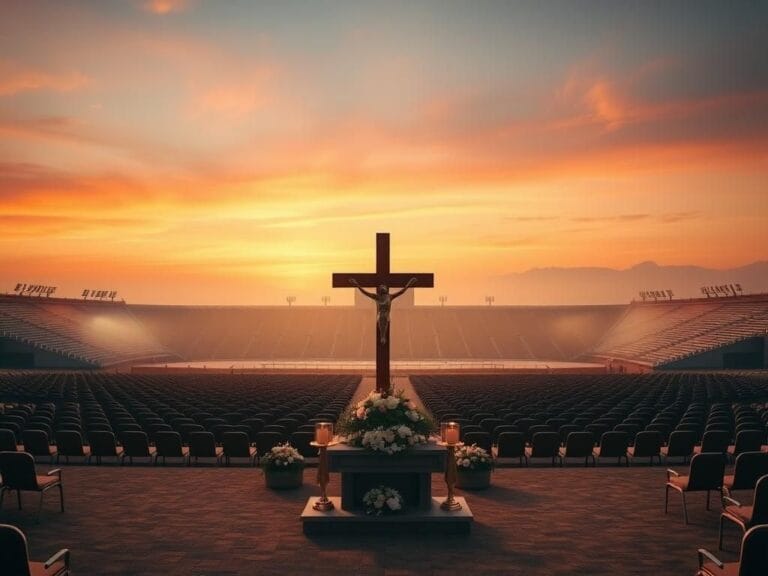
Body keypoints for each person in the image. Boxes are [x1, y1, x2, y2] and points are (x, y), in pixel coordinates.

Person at [350, 277, 417, 344]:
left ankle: (383, 336)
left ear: (386, 289)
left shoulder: (390, 297)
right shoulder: (377, 297)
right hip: (380, 315)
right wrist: (357, 284)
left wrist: (410, 283)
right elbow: (365, 292)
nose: (382, 287)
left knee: (384, 319)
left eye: (383, 286)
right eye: (381, 287)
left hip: (386, 316)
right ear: (379, 290)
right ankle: (382, 336)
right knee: (382, 318)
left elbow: (402, 291)